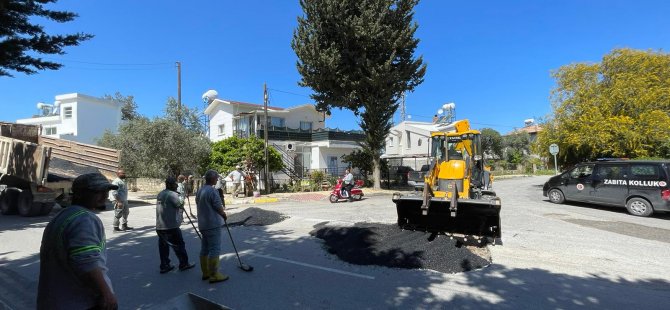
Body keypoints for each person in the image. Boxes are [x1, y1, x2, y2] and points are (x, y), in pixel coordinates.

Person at [37, 173, 118, 310]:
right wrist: (106, 294)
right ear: (80, 194)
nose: (104, 196)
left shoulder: (63, 215)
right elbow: (87, 262)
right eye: (97, 192)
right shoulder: (84, 219)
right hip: (79, 302)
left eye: (106, 191)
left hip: (54, 301)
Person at [156, 177, 196, 273]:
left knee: (164, 247)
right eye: (175, 184)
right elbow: (180, 205)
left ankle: (164, 265)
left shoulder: (161, 193)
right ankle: (184, 264)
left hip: (160, 226)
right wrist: (182, 198)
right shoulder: (173, 195)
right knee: (179, 245)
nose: (177, 185)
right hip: (171, 225)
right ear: (170, 185)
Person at [196, 169, 229, 283]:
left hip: (203, 224)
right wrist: (223, 214)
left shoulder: (200, 190)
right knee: (214, 249)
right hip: (212, 224)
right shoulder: (212, 191)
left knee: (205, 248)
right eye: (217, 178)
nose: (217, 179)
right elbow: (218, 206)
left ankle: (205, 273)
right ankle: (214, 275)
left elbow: (197, 202)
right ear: (213, 179)